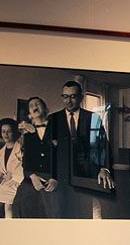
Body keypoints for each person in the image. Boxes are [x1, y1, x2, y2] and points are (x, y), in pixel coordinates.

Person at [47, 80, 113, 218]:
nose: (68, 101)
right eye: (65, 96)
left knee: (88, 212)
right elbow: (48, 151)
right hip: (61, 177)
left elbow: (102, 145)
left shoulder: (93, 118)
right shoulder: (52, 119)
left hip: (87, 174)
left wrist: (104, 168)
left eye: (73, 96)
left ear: (81, 97)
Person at [15, 96, 59, 218]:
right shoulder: (28, 135)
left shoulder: (58, 129)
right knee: (21, 202)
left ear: (46, 109)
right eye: (31, 106)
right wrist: (32, 176)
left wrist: (56, 178)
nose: (34, 106)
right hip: (33, 177)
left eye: (38, 104)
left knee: (53, 208)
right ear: (29, 115)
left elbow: (62, 158)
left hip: (53, 177)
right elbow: (26, 161)